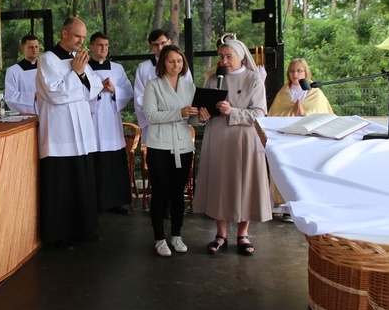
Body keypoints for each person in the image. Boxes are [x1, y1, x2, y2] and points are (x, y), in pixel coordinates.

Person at [194, 39, 271, 256]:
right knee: (221, 184)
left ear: (241, 57)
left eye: (229, 56)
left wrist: (233, 111)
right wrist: (203, 115)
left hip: (244, 139)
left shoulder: (253, 79)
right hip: (218, 138)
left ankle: (243, 234)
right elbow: (202, 111)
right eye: (221, 56)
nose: (224, 61)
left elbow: (259, 113)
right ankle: (220, 233)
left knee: (243, 184)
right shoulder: (212, 80)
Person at [36, 17, 103, 250]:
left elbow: (94, 88)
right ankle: (59, 235)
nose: (81, 41)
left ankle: (84, 229)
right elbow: (55, 94)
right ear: (64, 33)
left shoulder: (79, 59)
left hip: (81, 132)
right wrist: (75, 75)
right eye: (77, 36)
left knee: (82, 182)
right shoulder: (47, 60)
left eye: (83, 37)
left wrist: (81, 75)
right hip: (59, 134)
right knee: (62, 186)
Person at [143, 45, 199, 256]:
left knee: (178, 193)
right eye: (171, 61)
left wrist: (200, 118)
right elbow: (150, 116)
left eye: (179, 61)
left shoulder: (189, 86)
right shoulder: (153, 85)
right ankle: (159, 238)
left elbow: (191, 118)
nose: (176, 65)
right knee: (159, 193)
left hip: (183, 145)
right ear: (162, 64)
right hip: (159, 146)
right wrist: (179, 112)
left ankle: (176, 234)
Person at [267, 58, 333, 221]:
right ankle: (287, 208)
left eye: (299, 71)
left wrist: (304, 114)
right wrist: (292, 113)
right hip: (286, 140)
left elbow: (323, 115)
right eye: (292, 71)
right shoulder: (283, 93)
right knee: (286, 171)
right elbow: (273, 116)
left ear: (306, 72)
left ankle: (308, 207)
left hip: (308, 141)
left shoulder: (314, 92)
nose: (295, 74)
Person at [87, 32, 133, 214]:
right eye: (99, 45)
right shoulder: (83, 68)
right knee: (95, 162)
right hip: (92, 120)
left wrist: (114, 90)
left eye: (106, 45)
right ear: (91, 46)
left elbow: (127, 91)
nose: (103, 48)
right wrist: (98, 90)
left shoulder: (117, 68)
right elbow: (78, 92)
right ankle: (94, 202)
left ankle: (115, 202)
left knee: (112, 163)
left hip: (111, 121)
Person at [134, 29, 192, 144]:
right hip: (156, 128)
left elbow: (188, 95)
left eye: (163, 43)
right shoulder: (143, 68)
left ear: (169, 42)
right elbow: (139, 98)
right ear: (151, 46)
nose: (160, 48)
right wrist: (163, 116)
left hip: (179, 126)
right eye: (155, 45)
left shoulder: (181, 66)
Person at [4, 33, 40, 114]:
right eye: (30, 47)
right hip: (27, 115)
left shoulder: (46, 67)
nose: (34, 50)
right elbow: (10, 97)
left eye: (36, 47)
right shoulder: (13, 71)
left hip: (47, 113)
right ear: (23, 49)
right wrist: (33, 96)